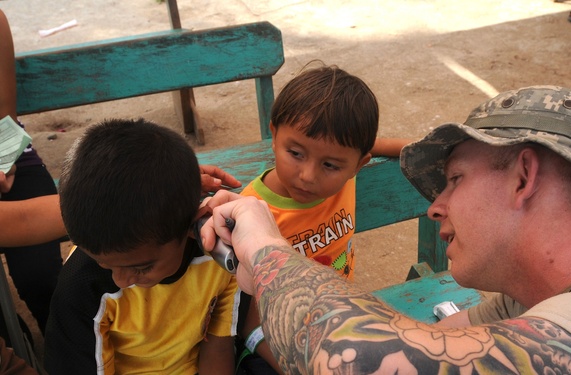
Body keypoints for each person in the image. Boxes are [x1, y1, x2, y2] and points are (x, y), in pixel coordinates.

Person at [201, 86, 571, 373]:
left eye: (456, 179)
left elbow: (365, 359)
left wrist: (263, 246)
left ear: (523, 178)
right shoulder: (528, 298)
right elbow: (436, 341)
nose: (434, 208)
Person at [237, 64, 411, 373]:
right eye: (296, 154)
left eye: (329, 165)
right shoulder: (253, 211)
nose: (308, 176)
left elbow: (372, 146)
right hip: (275, 343)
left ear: (358, 166)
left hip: (337, 321)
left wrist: (426, 150)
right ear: (274, 135)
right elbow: (251, 328)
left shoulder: (347, 172)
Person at [44, 119, 241, 375]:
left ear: (191, 225)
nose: (121, 280)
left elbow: (218, 347)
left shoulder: (219, 255)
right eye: (103, 264)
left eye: (142, 268)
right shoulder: (80, 285)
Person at [0, 8, 63, 337]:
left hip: (6, 157)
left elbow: (3, 121)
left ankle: (54, 337)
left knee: (41, 276)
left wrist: (2, 160)